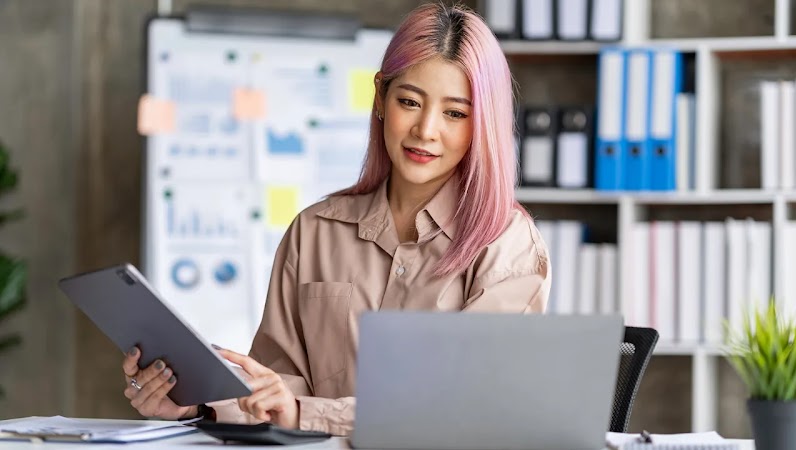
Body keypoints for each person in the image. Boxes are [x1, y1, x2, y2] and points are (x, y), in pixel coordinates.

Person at [121, 2, 551, 437]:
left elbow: (465, 407)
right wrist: (197, 403)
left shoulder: (506, 245)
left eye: (455, 113)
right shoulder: (314, 232)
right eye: (409, 102)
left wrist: (303, 413)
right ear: (381, 97)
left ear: (483, 123)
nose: (425, 130)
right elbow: (275, 391)